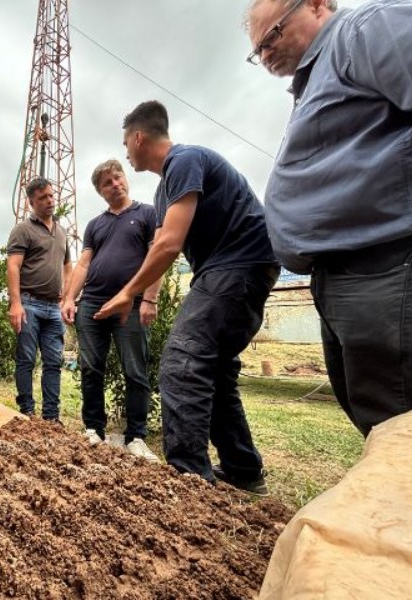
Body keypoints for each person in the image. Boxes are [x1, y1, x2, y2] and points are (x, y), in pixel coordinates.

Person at [245, 0, 412, 437]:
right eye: (258, 51)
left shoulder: (364, 31)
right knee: (381, 425)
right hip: (349, 277)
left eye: (271, 36)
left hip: (391, 265)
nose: (266, 53)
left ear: (315, 4)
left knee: (409, 434)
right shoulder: (319, 77)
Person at [96, 101, 279, 495]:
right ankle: (243, 470)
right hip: (229, 272)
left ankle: (188, 483)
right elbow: (162, 245)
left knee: (183, 363)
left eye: (126, 144)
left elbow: (169, 245)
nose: (126, 152)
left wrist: (128, 293)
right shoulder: (165, 188)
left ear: (138, 138)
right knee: (214, 370)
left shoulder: (185, 160)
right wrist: (142, 295)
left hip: (238, 266)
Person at [61, 159, 161, 462]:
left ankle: (136, 437)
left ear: (125, 178)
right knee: (91, 368)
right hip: (92, 303)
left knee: (135, 370)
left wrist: (150, 299)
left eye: (118, 177)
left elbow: (157, 256)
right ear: (100, 191)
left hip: (131, 305)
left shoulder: (147, 213)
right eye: (108, 183)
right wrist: (69, 298)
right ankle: (93, 429)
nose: (115, 184)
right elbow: (84, 264)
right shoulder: (95, 224)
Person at [7, 177, 72, 420]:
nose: (50, 201)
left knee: (54, 362)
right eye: (43, 197)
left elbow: (68, 267)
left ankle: (51, 416)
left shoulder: (62, 232)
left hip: (54, 307)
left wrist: (67, 297)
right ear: (31, 202)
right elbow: (13, 266)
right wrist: (16, 304)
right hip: (29, 303)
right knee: (26, 359)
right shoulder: (23, 230)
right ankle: (27, 412)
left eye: (51, 195)